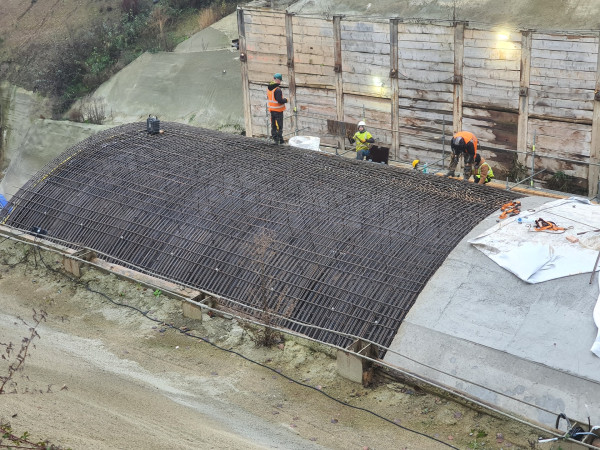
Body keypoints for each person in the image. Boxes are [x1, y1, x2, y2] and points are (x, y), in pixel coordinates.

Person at [267, 73, 288, 144]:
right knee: (279, 126)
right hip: (278, 111)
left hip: (272, 110)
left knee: (273, 125)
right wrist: (286, 100)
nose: (280, 82)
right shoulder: (277, 90)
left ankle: (275, 138)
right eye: (280, 80)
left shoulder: (270, 88)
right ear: (278, 80)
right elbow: (279, 100)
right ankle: (279, 140)